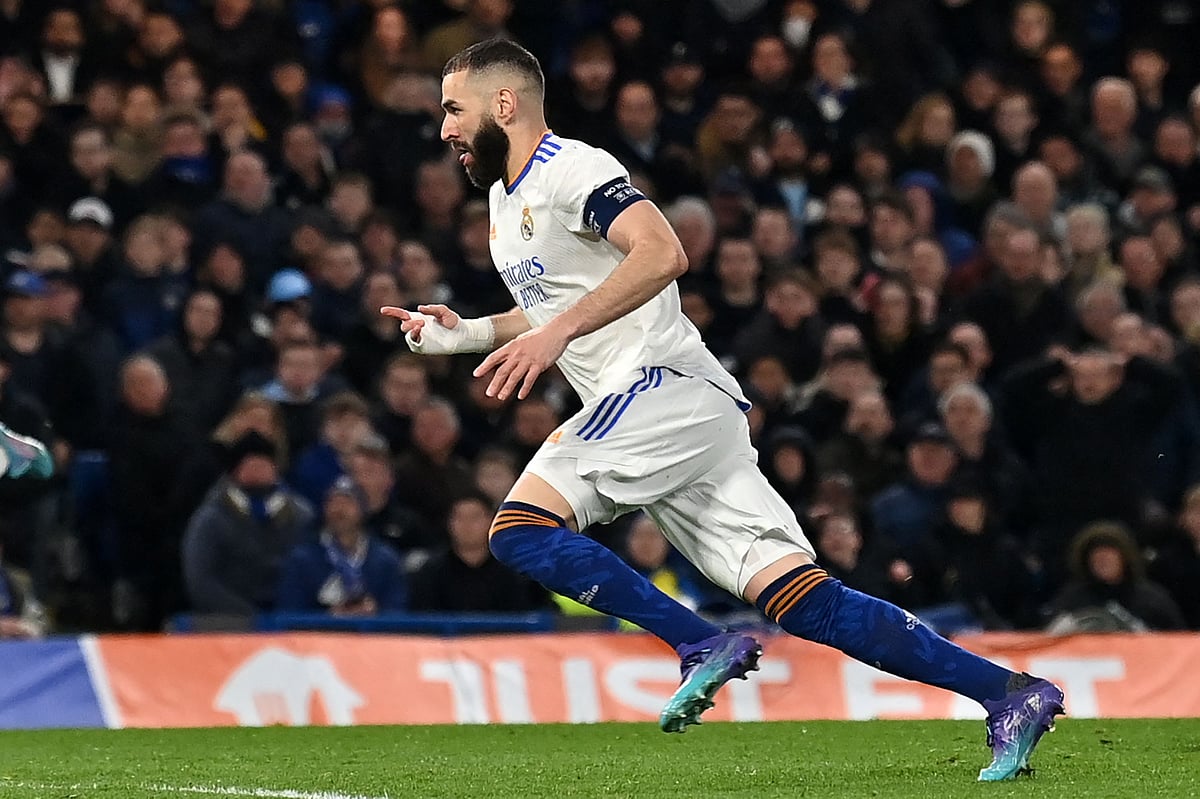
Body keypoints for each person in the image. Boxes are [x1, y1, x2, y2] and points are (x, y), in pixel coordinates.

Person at [382, 39, 1062, 780]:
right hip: (682, 415)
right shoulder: (502, 197)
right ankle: (1010, 693)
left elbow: (663, 250)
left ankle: (699, 642)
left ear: (503, 104)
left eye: (454, 108)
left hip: (656, 386)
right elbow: (552, 303)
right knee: (805, 601)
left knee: (516, 530)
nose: (445, 127)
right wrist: (470, 333)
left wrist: (556, 334)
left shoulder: (573, 169)